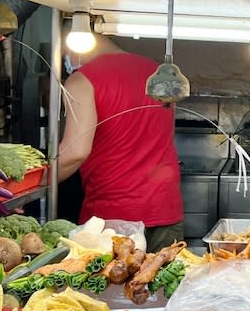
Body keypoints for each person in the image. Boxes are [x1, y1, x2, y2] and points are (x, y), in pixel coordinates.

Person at [57, 31, 184, 252]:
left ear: (74, 47)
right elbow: (166, 134)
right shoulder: (160, 76)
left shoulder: (81, 80)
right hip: (164, 209)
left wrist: (29, 188)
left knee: (109, 286)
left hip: (111, 221)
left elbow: (75, 151)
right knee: (165, 283)